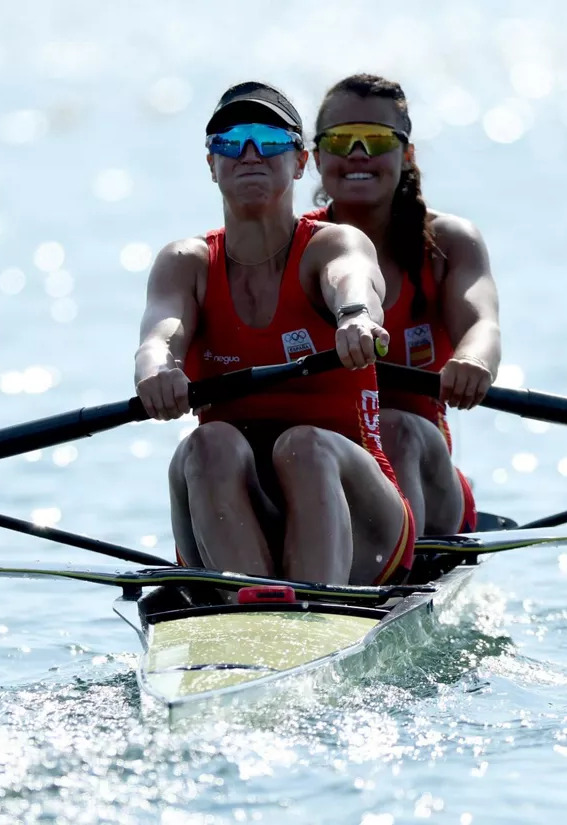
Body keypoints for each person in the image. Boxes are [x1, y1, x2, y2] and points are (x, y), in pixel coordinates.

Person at [133, 81, 416, 587]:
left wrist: (355, 317)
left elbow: (352, 279)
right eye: (230, 141)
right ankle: (256, 602)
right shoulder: (185, 263)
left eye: (269, 140)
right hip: (233, 507)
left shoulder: (332, 244)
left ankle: (309, 608)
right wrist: (158, 370)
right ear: (212, 164)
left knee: (302, 447)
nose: (249, 154)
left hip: (362, 518)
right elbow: (160, 336)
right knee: (206, 444)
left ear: (301, 162)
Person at [307, 73, 501, 536]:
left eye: (376, 140)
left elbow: (483, 324)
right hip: (323, 465)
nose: (358, 153)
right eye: (340, 140)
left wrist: (473, 360)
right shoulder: (294, 247)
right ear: (316, 158)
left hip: (423, 471)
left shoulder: (449, 242)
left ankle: (400, 563)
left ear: (407, 154)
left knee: (394, 427)